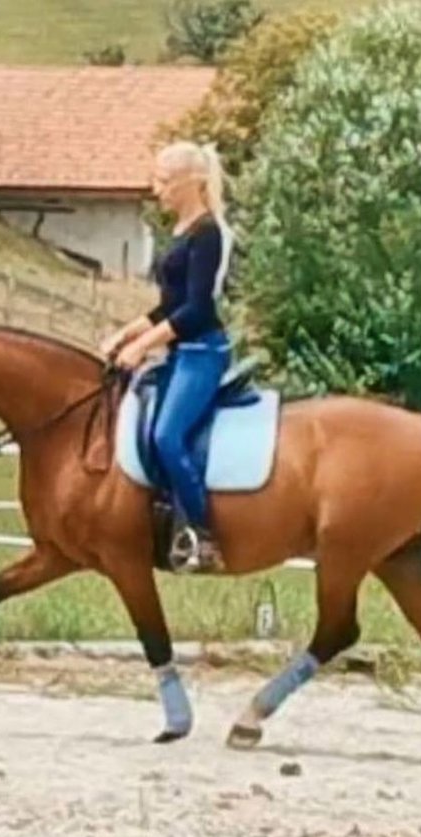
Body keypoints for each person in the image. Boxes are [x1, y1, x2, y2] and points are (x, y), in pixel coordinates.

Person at [101, 141, 235, 573]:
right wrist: (126, 334)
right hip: (179, 352)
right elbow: (170, 306)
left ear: (189, 183)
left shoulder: (208, 234)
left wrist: (144, 346)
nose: (155, 189)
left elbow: (197, 310)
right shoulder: (180, 233)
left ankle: (203, 535)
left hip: (202, 353)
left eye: (162, 180)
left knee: (167, 436)